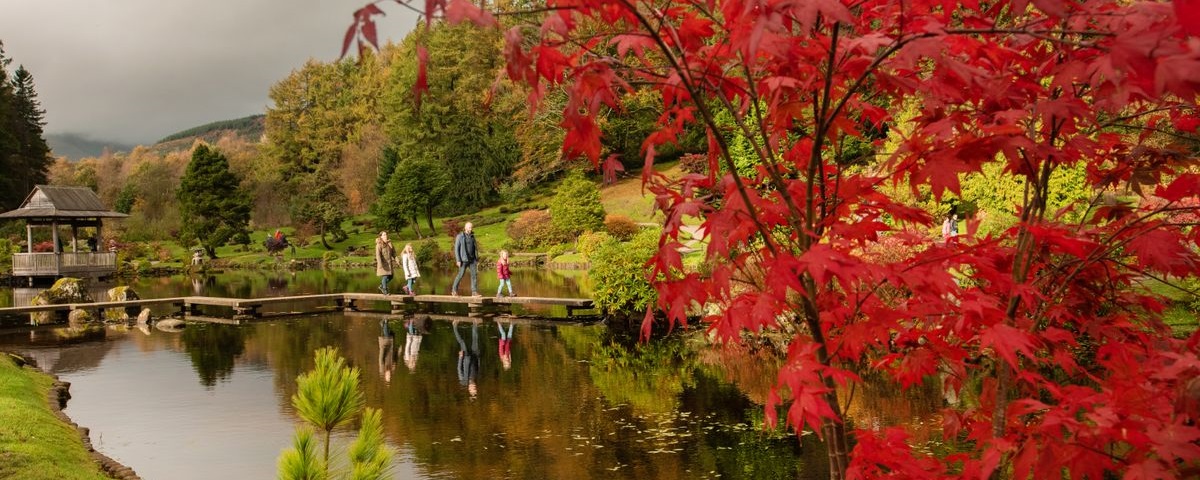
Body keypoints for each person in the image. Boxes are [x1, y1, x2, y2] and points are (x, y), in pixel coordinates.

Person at [454, 319, 480, 399]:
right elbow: (478, 367)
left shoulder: (463, 381)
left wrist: (460, 357)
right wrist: (478, 357)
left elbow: (459, 368)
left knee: (462, 342)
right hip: (475, 356)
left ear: (469, 389)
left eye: (473, 389)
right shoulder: (477, 378)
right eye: (475, 388)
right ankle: (475, 323)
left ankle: (454, 326)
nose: (474, 387)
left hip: (466, 357)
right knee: (475, 339)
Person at [451, 222, 479, 297]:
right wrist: (458, 260)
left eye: (471, 227)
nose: (471, 229)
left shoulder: (472, 236)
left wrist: (477, 258)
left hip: (472, 260)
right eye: (469, 227)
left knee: (474, 275)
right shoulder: (460, 236)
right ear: (465, 228)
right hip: (463, 260)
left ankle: (474, 292)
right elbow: (456, 249)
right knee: (460, 275)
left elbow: (475, 248)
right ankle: (454, 290)